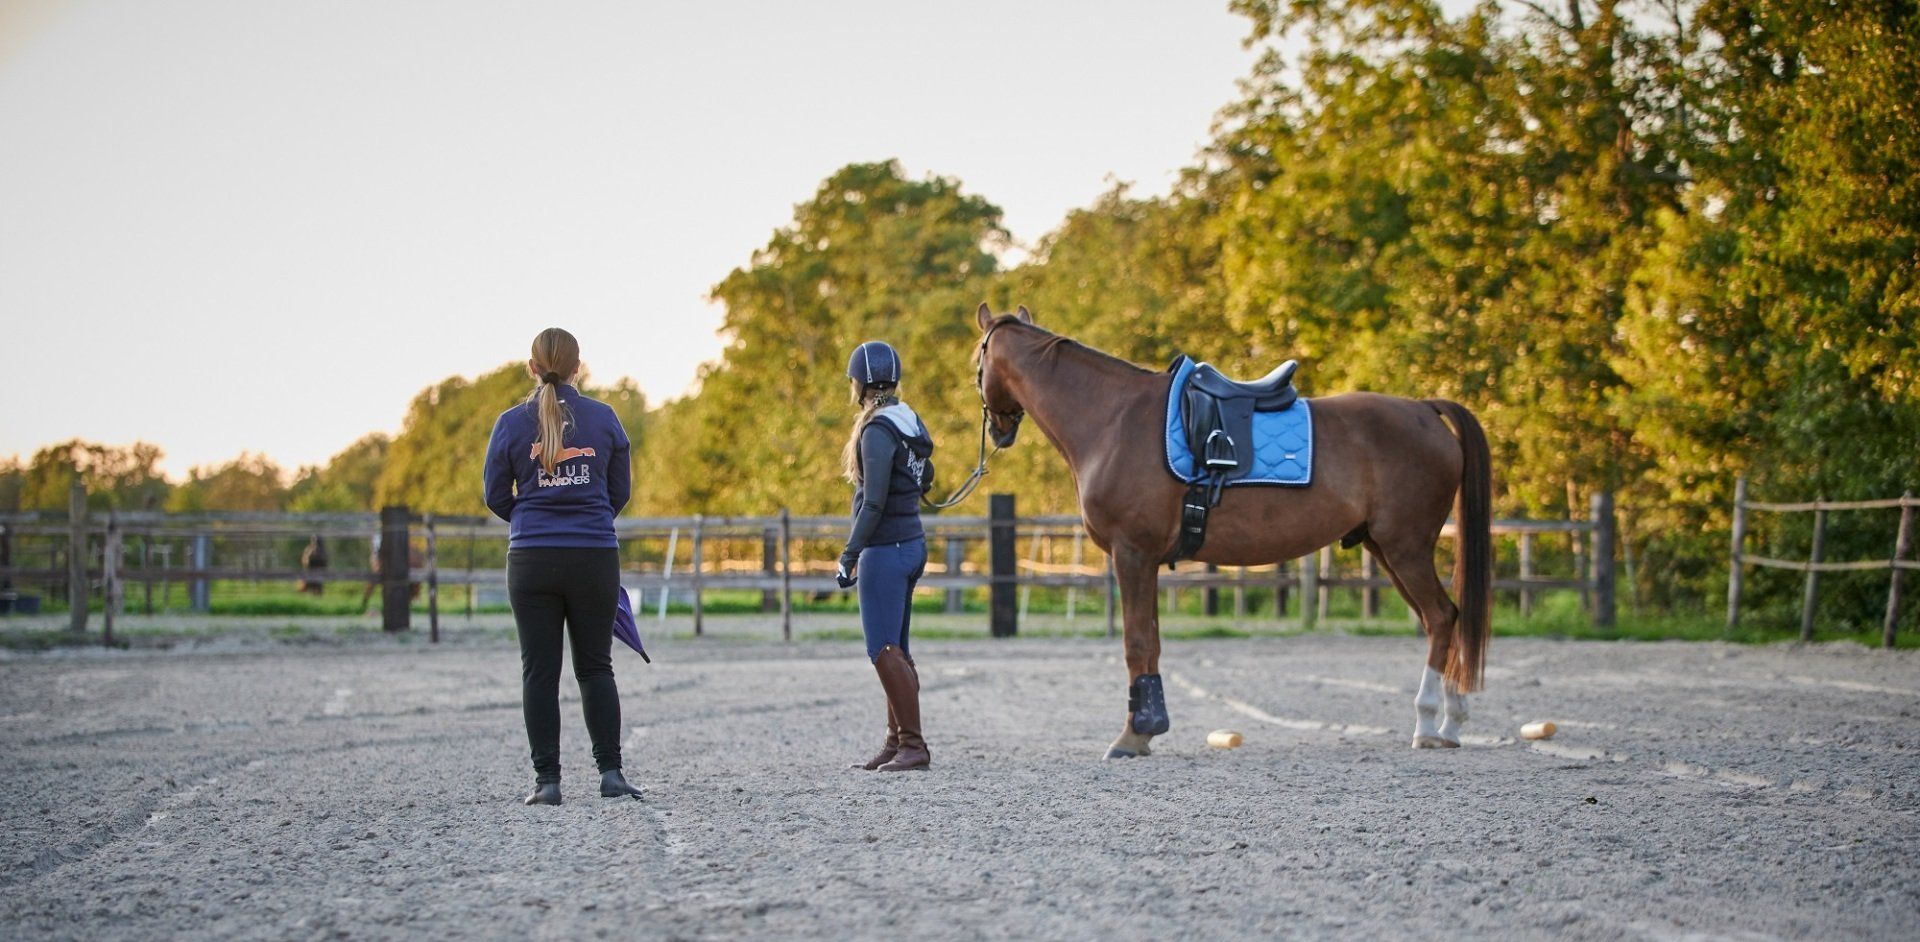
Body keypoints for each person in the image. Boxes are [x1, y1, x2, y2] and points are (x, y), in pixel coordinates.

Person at [483, 327, 642, 805]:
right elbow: (621, 491)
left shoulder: (510, 423)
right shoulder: (605, 418)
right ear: (579, 367)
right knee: (595, 668)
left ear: (531, 368)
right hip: (594, 555)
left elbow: (495, 496)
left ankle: (547, 781)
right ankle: (610, 773)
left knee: (539, 670)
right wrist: (588, 519)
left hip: (531, 560)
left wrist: (533, 519)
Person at [836, 340, 937, 772]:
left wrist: (849, 553)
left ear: (861, 383)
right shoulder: (908, 419)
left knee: (882, 648)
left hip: (887, 549)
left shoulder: (878, 429)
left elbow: (873, 502)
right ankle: (897, 742)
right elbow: (927, 476)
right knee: (898, 648)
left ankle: (913, 746)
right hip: (911, 544)